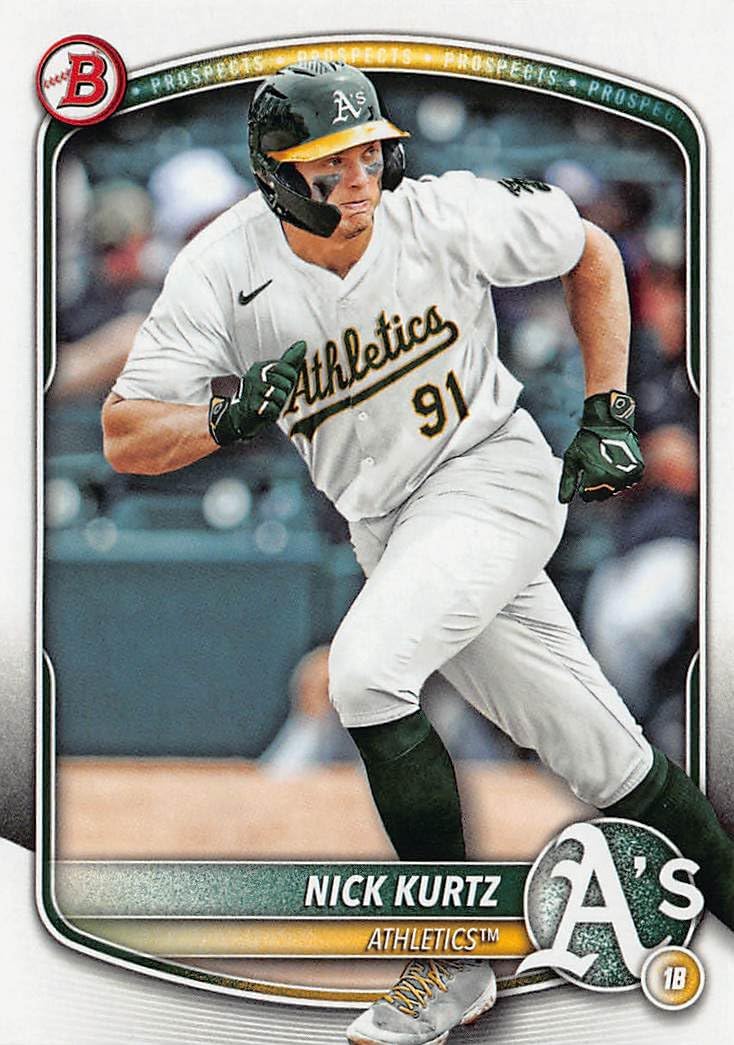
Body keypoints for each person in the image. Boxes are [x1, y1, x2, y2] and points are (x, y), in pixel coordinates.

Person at [101, 61, 733, 1045]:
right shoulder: (222, 266)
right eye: (330, 163)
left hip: (489, 476)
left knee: (364, 674)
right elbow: (126, 434)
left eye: (368, 153)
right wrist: (224, 418)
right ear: (274, 174)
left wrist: (607, 406)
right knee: (603, 756)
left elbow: (590, 249)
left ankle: (448, 959)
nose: (357, 177)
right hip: (386, 524)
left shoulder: (439, 213)